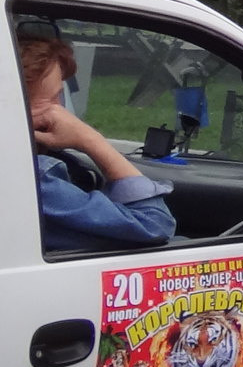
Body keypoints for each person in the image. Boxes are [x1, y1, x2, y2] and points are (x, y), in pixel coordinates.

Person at [18, 34, 175, 252]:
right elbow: (154, 225)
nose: (61, 111)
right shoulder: (31, 181)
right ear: (16, 107)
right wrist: (90, 139)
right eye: (53, 99)